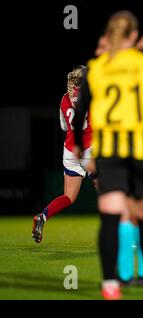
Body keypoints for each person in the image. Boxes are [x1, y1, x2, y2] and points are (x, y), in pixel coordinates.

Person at [72, 10, 143, 299]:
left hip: (109, 149)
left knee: (110, 216)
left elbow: (80, 113)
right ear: (133, 36)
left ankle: (110, 284)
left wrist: (79, 143)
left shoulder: (96, 67)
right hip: (141, 147)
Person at [32, 65, 94, 243]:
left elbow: (64, 127)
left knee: (68, 197)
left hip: (70, 151)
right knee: (110, 192)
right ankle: (121, 235)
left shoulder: (64, 99)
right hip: (87, 149)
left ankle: (42, 216)